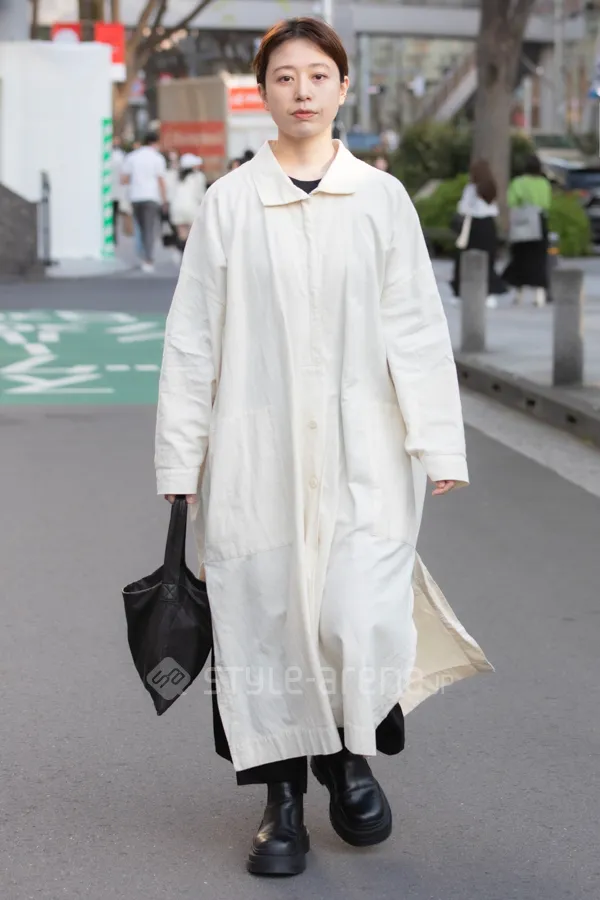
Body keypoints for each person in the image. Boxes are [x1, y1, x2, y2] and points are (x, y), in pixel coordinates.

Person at [155, 17, 491, 878]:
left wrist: (437, 438)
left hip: (363, 452)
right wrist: (180, 461)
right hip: (254, 457)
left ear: (343, 88)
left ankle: (349, 757)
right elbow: (193, 342)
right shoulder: (231, 203)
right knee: (263, 625)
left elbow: (415, 326)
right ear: (263, 92)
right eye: (284, 76)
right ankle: (281, 805)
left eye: (317, 75)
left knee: (354, 614)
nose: (301, 90)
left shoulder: (381, 200)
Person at [451, 159, 508, 309]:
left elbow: (463, 208)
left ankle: (459, 292)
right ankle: (490, 293)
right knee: (488, 259)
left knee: (464, 258)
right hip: (489, 225)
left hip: (473, 225)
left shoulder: (471, 188)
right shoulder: (491, 187)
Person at [503, 154, 553, 307]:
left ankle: (519, 293)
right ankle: (539, 294)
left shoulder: (518, 182)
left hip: (523, 223)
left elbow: (512, 201)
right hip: (540, 221)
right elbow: (547, 203)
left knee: (520, 257)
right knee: (539, 259)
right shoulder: (544, 183)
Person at [121, 132, 167, 273]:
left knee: (139, 227)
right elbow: (161, 180)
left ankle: (141, 254)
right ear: (155, 142)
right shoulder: (157, 158)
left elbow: (124, 179)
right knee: (149, 228)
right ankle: (148, 258)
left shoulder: (132, 157)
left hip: (135, 196)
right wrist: (164, 199)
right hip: (151, 196)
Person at [169, 153, 207, 249]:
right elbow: (200, 194)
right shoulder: (198, 176)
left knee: (182, 235)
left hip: (177, 207)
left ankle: (182, 254)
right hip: (192, 207)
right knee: (193, 236)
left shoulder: (175, 175)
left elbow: (170, 192)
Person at [111, 137, 126, 245]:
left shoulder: (120, 156)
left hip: (114, 190)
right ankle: (113, 235)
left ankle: (113, 235)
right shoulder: (120, 156)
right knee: (114, 215)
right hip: (115, 190)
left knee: (113, 215)